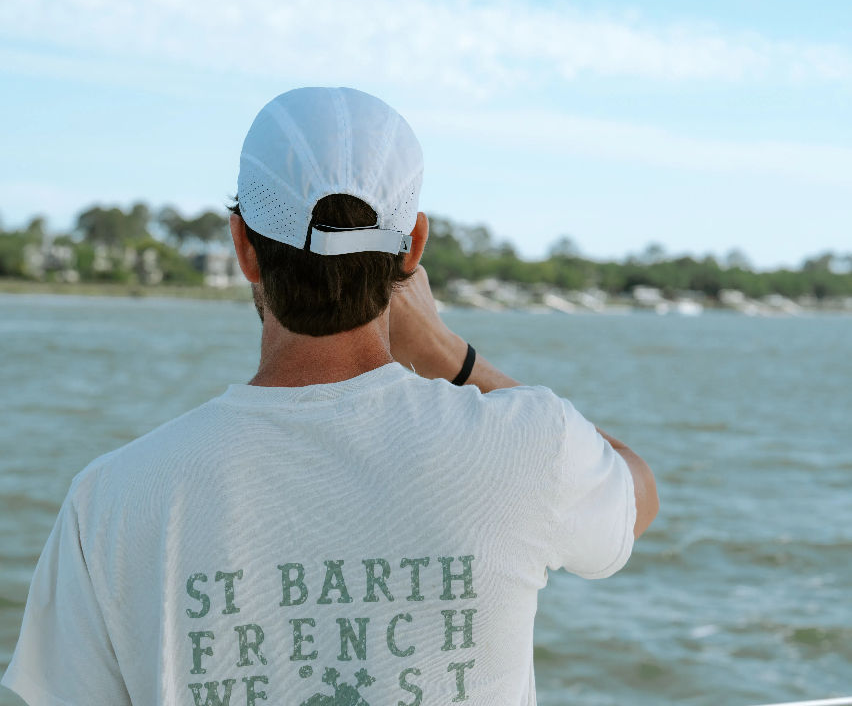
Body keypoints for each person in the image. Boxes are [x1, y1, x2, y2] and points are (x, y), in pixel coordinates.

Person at [2, 86, 658, 706]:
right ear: (413, 248)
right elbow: (637, 496)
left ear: (242, 246)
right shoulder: (528, 445)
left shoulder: (109, 500)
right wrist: (449, 357)